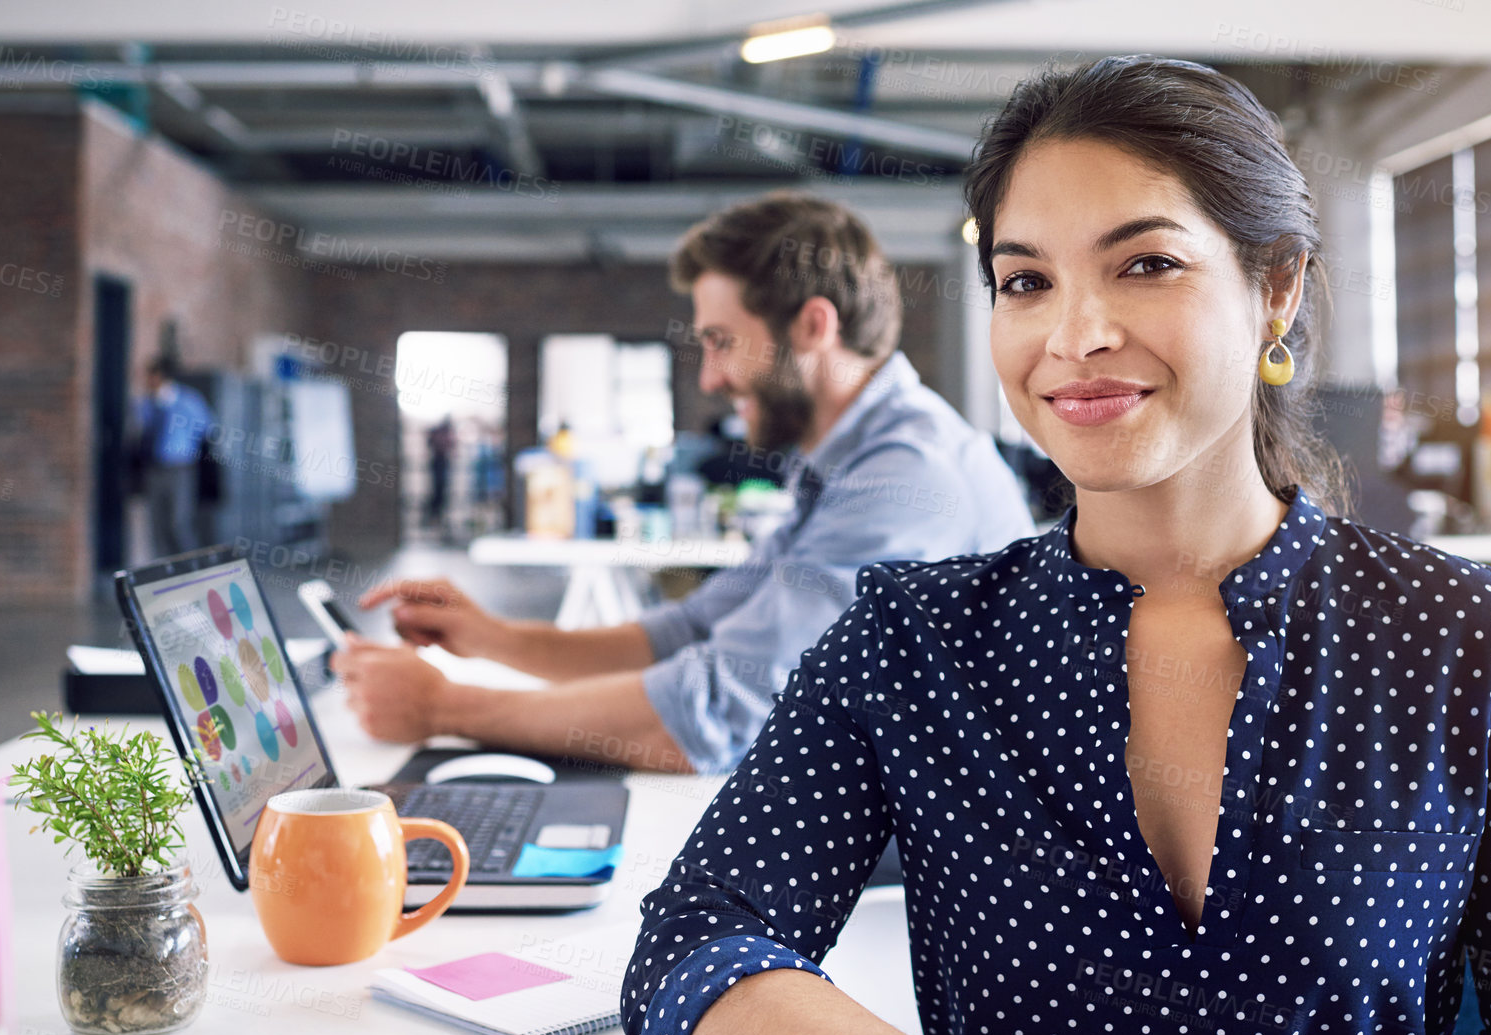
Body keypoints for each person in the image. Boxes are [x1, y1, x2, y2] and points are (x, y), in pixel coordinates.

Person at [621, 56, 1491, 1035]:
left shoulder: (1466, 641)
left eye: (1147, 264)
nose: (1074, 336)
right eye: (1025, 281)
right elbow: (694, 944)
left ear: (1276, 287)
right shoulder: (915, 641)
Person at [330, 192, 1036, 774]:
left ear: (813, 326)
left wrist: (445, 708)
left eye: (721, 341)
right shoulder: (846, 461)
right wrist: (492, 638)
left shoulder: (907, 475)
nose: (709, 378)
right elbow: (690, 632)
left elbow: (717, 713)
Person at [134, 352, 215, 558]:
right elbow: (139, 431)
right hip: (154, 468)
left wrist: (187, 447)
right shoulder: (147, 404)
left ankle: (189, 568)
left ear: (160, 376)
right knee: (156, 524)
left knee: (178, 522)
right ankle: (162, 571)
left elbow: (207, 429)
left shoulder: (188, 401)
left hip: (180, 468)